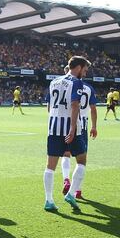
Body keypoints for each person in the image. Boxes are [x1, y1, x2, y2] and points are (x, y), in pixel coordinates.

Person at [43, 56, 90, 211]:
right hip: (71, 129)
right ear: (79, 67)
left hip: (53, 127)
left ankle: (49, 200)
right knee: (81, 161)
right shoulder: (76, 82)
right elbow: (75, 106)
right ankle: (70, 194)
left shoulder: (53, 81)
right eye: (85, 68)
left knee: (50, 166)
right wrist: (71, 128)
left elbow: (49, 107)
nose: (86, 72)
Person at [63, 72, 97, 199]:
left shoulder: (64, 85)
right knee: (82, 159)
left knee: (65, 154)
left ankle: (66, 178)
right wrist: (94, 126)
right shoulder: (89, 88)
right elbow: (93, 109)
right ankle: (77, 190)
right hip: (82, 125)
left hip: (66, 123)